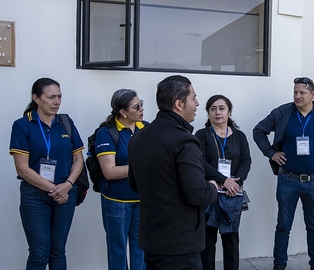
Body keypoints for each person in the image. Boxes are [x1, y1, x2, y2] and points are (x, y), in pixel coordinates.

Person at [253, 76, 314, 270]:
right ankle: (279, 265)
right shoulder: (283, 113)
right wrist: (271, 153)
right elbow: (259, 131)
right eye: (295, 92)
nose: (297, 96)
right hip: (288, 180)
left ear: (313, 94)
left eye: (302, 92)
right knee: (283, 226)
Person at [128, 75, 218, 270]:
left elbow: (134, 184)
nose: (197, 103)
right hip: (180, 245)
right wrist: (212, 187)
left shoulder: (139, 137)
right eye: (193, 98)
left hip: (152, 239)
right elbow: (197, 193)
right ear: (179, 104)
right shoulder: (184, 140)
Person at [9, 77, 85, 270]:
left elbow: (78, 159)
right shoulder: (22, 125)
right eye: (51, 97)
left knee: (58, 250)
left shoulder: (66, 122)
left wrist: (67, 185)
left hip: (66, 193)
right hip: (35, 195)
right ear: (36, 98)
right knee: (39, 252)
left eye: (59, 96)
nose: (57, 101)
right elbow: (22, 169)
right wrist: (54, 189)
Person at [195, 95, 251, 270]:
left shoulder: (240, 136)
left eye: (221, 108)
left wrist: (236, 182)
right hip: (210, 192)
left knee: (231, 240)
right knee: (207, 241)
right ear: (208, 112)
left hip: (232, 193)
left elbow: (246, 161)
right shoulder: (202, 135)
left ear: (229, 111)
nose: (217, 112)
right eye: (212, 108)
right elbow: (200, 162)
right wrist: (223, 180)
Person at [94, 89, 148, 270]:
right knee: (117, 249)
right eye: (136, 106)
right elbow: (109, 171)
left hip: (143, 199)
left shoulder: (146, 128)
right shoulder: (107, 132)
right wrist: (142, 167)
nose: (142, 109)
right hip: (117, 200)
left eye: (142, 104)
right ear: (123, 112)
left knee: (141, 248)